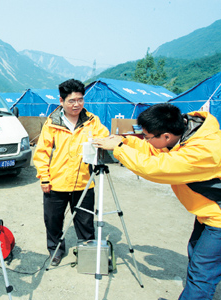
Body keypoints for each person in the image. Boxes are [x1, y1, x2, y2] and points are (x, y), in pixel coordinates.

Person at [93, 103, 221, 300]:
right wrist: (125, 141)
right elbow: (153, 148)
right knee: (196, 258)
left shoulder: (204, 151)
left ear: (167, 136)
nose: (144, 139)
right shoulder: (186, 131)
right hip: (208, 213)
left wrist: (118, 149)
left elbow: (157, 167)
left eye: (147, 136)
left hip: (218, 219)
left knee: (202, 272)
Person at [33, 79, 109, 266]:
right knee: (53, 221)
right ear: (61, 101)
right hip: (56, 183)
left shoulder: (92, 121)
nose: (76, 105)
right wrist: (44, 178)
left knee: (85, 222)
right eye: (71, 101)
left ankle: (86, 254)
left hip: (84, 183)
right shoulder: (52, 123)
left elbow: (105, 137)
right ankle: (56, 251)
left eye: (80, 100)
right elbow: (41, 153)